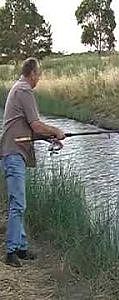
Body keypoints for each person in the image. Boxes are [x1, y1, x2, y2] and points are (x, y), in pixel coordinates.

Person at [0, 57, 65, 267]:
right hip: (13, 154)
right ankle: (11, 253)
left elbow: (27, 130)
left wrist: (50, 138)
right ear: (32, 74)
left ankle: (21, 247)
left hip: (14, 151)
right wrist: (56, 131)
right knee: (18, 204)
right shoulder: (24, 90)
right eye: (39, 74)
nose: (40, 78)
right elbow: (36, 125)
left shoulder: (18, 88)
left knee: (18, 203)